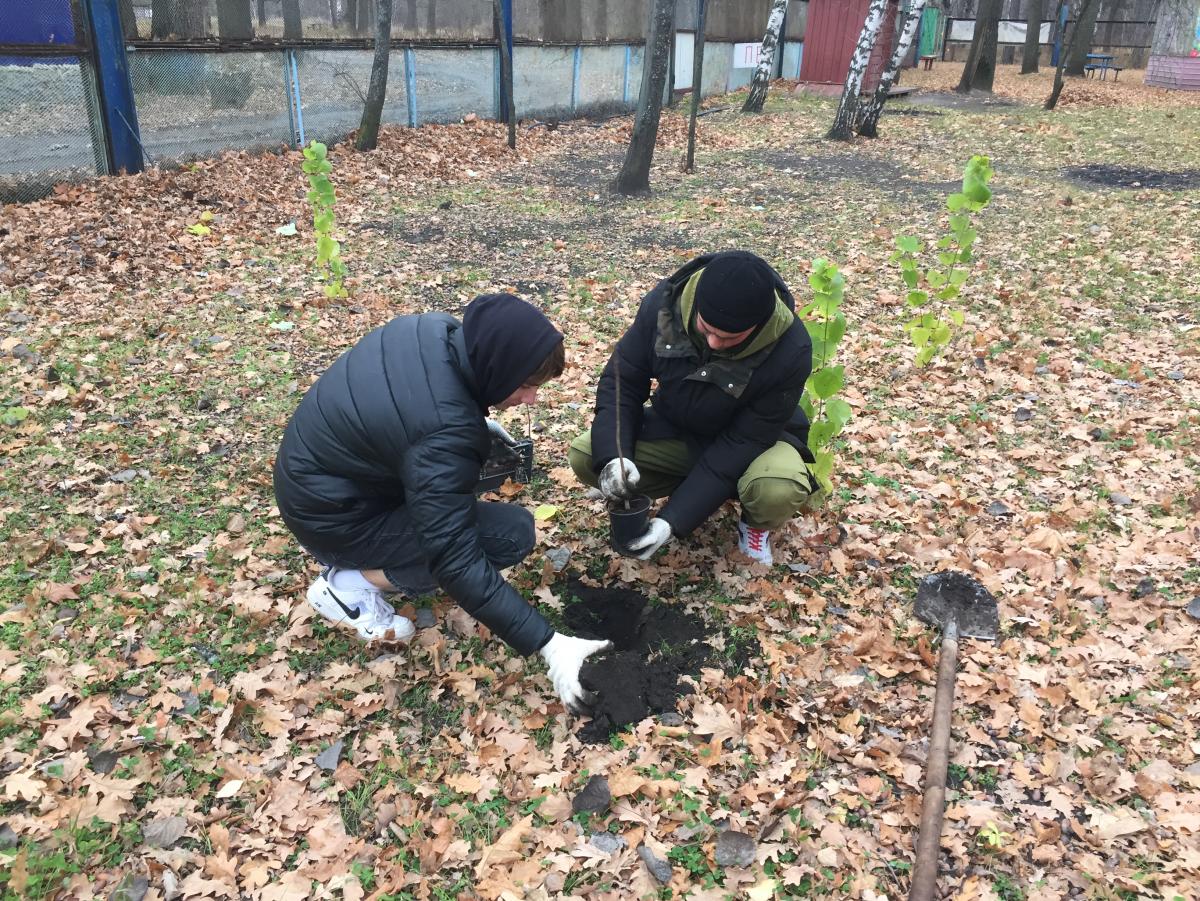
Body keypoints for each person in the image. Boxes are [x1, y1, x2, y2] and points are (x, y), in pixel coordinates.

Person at [273, 294, 609, 709]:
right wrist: (547, 643)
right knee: (509, 535)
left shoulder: (434, 329)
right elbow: (454, 556)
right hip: (333, 518)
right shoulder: (442, 432)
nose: (531, 400)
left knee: (463, 478)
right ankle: (348, 586)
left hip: (322, 483)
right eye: (526, 386)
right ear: (495, 367)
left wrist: (476, 425)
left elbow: (406, 405)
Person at [569, 251, 822, 565]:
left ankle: (754, 525)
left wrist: (672, 521)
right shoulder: (664, 305)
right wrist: (615, 455)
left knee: (777, 488)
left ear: (757, 326)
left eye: (730, 337)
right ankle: (679, 490)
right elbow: (623, 380)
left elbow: (744, 442)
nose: (715, 343)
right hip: (679, 429)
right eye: (707, 329)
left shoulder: (790, 348)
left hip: (756, 447)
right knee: (588, 454)